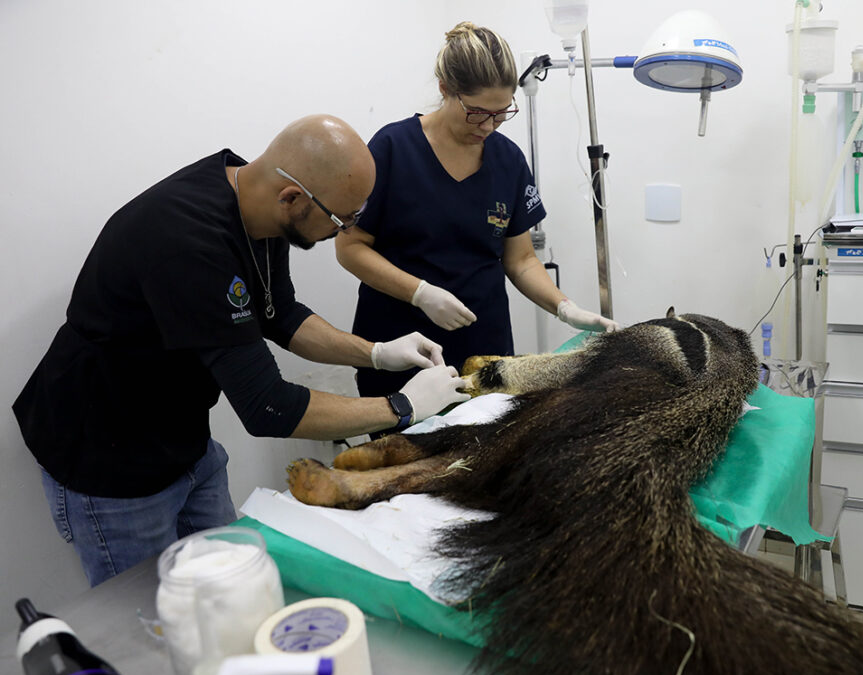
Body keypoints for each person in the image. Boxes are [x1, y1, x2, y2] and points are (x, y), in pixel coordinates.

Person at [12, 115, 470, 586]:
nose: (345, 230)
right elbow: (269, 406)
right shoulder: (188, 244)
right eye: (341, 220)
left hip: (183, 441)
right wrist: (402, 406)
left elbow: (281, 313)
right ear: (292, 198)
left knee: (229, 584)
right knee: (154, 617)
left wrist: (375, 353)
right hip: (109, 458)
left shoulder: (259, 205)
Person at [336, 21, 618, 402]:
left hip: (484, 351)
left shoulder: (508, 160)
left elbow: (519, 261)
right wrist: (420, 293)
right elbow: (350, 247)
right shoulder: (392, 149)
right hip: (400, 348)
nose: (488, 126)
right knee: (404, 456)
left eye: (501, 114)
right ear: (445, 90)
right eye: (477, 113)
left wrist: (564, 307)